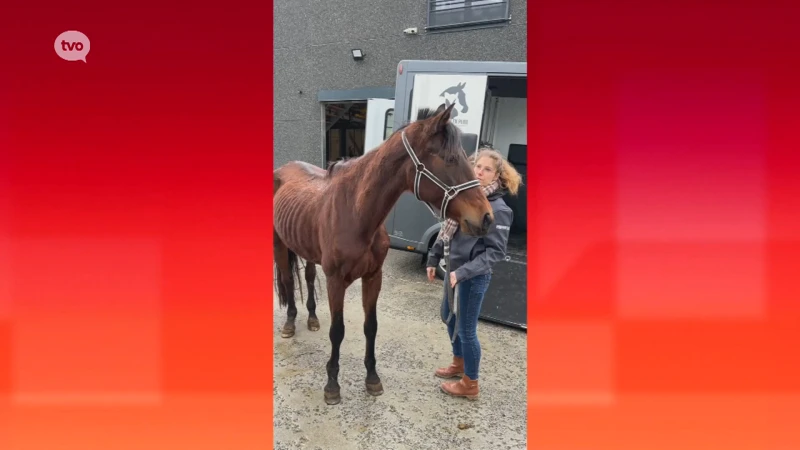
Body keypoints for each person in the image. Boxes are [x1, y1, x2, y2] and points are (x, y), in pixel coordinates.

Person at [425, 146, 522, 400]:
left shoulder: (499, 209)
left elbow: (495, 252)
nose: (480, 172)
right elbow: (447, 231)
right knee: (449, 316)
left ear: (497, 176)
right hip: (454, 273)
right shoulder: (467, 197)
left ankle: (471, 383)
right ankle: (459, 363)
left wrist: (463, 272)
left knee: (467, 330)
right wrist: (433, 258)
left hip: (472, 277)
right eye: (477, 166)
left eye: (487, 169)